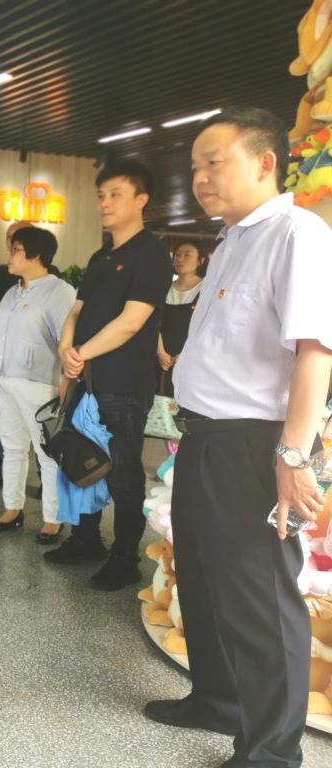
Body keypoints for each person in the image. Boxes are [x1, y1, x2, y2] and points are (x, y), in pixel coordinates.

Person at [145, 107, 332, 768]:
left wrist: (293, 455)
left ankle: (272, 753)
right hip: (203, 437)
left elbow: (316, 351)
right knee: (201, 576)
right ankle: (217, 699)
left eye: (214, 162)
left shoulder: (296, 234)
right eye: (195, 166)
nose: (200, 178)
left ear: (265, 162)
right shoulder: (230, 241)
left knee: (260, 597)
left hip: (255, 444)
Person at [48, 159, 172, 590]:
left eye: (116, 194)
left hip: (122, 384)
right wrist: (66, 351)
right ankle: (86, 540)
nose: (104, 203)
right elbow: (77, 310)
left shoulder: (152, 255)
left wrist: (80, 354)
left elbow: (132, 322)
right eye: (101, 195)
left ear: (141, 199)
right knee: (79, 458)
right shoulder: (101, 256)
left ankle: (124, 558)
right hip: (85, 381)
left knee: (122, 472)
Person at [0, 226, 76, 543]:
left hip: (39, 384)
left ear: (36, 255)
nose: (9, 255)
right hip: (6, 381)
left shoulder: (58, 291)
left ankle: (53, 518)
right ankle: (12, 508)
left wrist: (67, 380)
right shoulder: (12, 291)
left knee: (46, 453)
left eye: (16, 249)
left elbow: (69, 341)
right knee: (12, 448)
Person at [0, 222, 31, 491]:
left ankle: (46, 478)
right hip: (3, 360)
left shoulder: (53, 278)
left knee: (41, 424)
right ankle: (0, 472)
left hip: (35, 365)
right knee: (3, 419)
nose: (12, 243)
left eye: (19, 239)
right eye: (10, 238)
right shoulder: (3, 274)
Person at [156, 241, 208, 396]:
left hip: (192, 359)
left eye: (187, 255)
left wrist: (186, 354)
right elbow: (152, 321)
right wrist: (160, 351)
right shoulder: (163, 287)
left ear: (201, 260)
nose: (180, 259)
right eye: (177, 255)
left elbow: (208, 327)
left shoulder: (207, 289)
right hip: (160, 357)